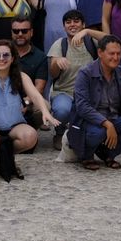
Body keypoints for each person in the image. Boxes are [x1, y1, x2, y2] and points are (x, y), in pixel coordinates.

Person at [0, 39, 58, 180]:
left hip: (14, 124)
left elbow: (35, 95)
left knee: (30, 137)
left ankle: (6, 155)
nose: (1, 58)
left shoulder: (21, 76)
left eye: (6, 55)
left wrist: (45, 112)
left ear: (12, 58)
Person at [69, 35, 121, 170]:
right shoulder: (85, 73)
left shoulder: (120, 72)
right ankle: (86, 155)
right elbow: (82, 107)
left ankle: (108, 154)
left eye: (118, 54)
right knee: (98, 132)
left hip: (113, 117)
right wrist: (106, 123)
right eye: (111, 53)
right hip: (89, 122)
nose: (116, 58)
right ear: (100, 53)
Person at [48, 9, 105, 150]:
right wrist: (57, 62)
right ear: (64, 26)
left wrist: (88, 32)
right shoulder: (60, 44)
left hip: (89, 93)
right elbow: (53, 74)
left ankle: (89, 136)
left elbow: (112, 40)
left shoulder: (91, 42)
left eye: (76, 21)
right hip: (64, 92)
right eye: (68, 22)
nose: (72, 25)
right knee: (62, 110)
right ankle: (59, 133)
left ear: (83, 24)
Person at [10, 15, 48, 96]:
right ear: (11, 33)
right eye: (16, 31)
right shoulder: (2, 53)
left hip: (30, 99)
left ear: (31, 32)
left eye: (24, 31)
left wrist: (25, 101)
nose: (20, 34)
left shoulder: (41, 57)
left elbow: (39, 88)